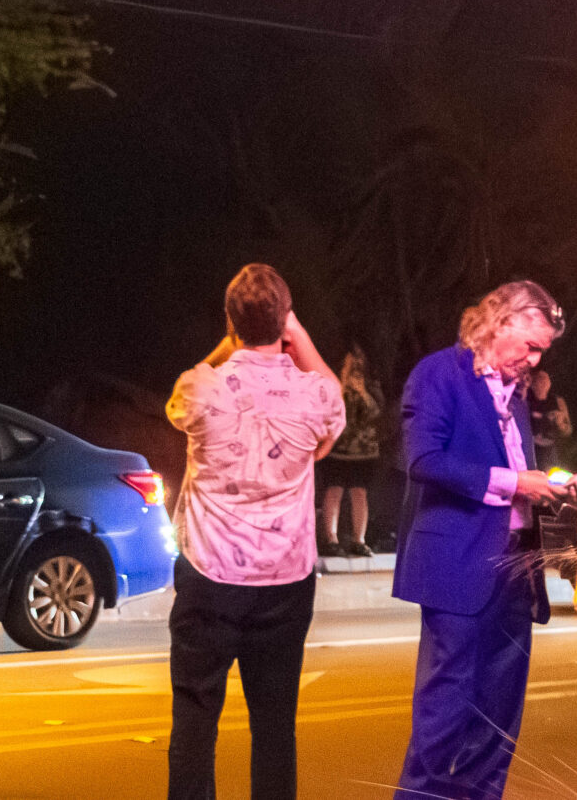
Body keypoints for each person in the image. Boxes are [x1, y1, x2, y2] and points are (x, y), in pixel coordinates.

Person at [165, 264, 345, 800]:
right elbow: (334, 403)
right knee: (274, 726)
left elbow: (176, 408)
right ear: (286, 321)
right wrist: (301, 337)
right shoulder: (315, 396)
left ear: (229, 321)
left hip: (209, 575)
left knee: (195, 718)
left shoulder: (200, 387)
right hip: (286, 581)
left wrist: (230, 344)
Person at [393, 279, 576, 800]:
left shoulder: (514, 394)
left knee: (498, 717)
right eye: (532, 345)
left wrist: (549, 490)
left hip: (516, 568)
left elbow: (517, 472)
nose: (536, 361)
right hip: (458, 564)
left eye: (543, 350)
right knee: (445, 709)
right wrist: (516, 482)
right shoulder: (438, 373)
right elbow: (424, 460)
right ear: (502, 322)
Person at [319, 347, 384, 559]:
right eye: (351, 363)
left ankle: (359, 540)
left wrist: (362, 393)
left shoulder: (371, 386)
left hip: (363, 452)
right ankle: (331, 539)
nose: (355, 367)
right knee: (334, 490)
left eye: (358, 363)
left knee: (359, 492)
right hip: (338, 449)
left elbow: (377, 412)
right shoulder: (334, 385)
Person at [526, 369, 572, 466]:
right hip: (530, 447)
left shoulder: (558, 401)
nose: (543, 383)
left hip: (549, 449)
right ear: (532, 384)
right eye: (539, 380)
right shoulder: (525, 400)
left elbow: (568, 429)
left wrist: (560, 426)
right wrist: (543, 418)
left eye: (546, 380)